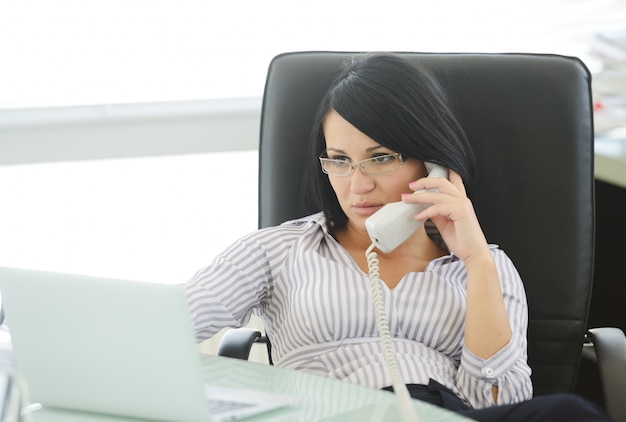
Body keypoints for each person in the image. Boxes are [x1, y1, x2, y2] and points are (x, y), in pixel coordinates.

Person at [184, 54, 611, 421]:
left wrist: (476, 261)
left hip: (443, 411)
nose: (357, 186)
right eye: (339, 161)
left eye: (380, 158)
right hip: (324, 411)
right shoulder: (277, 250)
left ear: (432, 163)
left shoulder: (486, 265)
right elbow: (173, 321)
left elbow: (497, 401)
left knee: (569, 414)